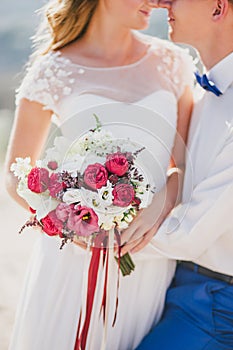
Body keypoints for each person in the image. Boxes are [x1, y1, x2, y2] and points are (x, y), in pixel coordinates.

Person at [4, 1, 194, 349]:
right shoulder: (54, 69)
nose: (156, 1)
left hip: (146, 256)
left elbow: (182, 165)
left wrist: (159, 205)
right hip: (70, 260)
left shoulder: (172, 63)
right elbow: (17, 177)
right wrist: (71, 222)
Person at [120, 0, 233, 349]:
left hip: (216, 306)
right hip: (174, 283)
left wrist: (97, 230)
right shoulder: (198, 89)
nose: (164, 2)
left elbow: (189, 233)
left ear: (218, 8)